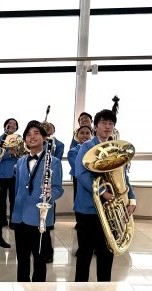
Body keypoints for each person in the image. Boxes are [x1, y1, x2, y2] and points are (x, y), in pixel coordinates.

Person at [74, 109, 136, 282]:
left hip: (111, 208)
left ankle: (104, 289)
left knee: (107, 250)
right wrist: (103, 192)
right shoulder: (87, 146)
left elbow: (124, 176)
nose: (108, 127)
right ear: (96, 126)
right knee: (85, 251)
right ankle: (79, 289)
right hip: (88, 208)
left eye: (111, 124)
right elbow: (81, 173)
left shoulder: (116, 148)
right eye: (103, 123)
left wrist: (132, 199)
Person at [12, 121, 64, 282]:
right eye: (28, 134)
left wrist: (50, 193)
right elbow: (18, 188)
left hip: (40, 216)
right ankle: (22, 286)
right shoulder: (20, 161)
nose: (32, 137)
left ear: (44, 138)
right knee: (22, 258)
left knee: (40, 258)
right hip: (20, 216)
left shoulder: (54, 161)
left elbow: (58, 189)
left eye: (36, 133)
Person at [0, 118, 20, 249]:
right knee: (1, 201)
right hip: (1, 175)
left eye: (14, 124)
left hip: (15, 175)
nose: (12, 125)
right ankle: (2, 221)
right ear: (5, 126)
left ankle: (13, 221)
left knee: (14, 199)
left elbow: (22, 154)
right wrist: (10, 152)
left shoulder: (19, 140)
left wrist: (18, 152)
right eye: (10, 123)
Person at [39, 121, 64, 263]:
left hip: (49, 180)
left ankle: (47, 251)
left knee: (46, 225)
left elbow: (58, 188)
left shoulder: (57, 145)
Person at [68, 125, 92, 201]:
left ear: (91, 136)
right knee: (80, 200)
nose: (85, 135)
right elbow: (78, 168)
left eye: (87, 133)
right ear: (77, 136)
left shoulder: (94, 150)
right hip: (79, 180)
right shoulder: (73, 151)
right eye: (82, 133)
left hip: (94, 180)